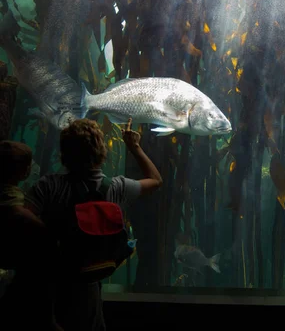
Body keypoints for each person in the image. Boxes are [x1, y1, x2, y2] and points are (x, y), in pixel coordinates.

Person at [24, 118, 163, 331]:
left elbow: (22, 219)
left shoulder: (49, 186)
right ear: (100, 152)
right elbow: (155, 180)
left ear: (64, 153)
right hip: (91, 280)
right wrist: (134, 147)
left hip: (53, 284)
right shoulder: (116, 187)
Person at [0, 140, 62, 330]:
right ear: (24, 171)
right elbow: (17, 213)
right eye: (28, 165)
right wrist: (47, 231)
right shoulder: (11, 196)